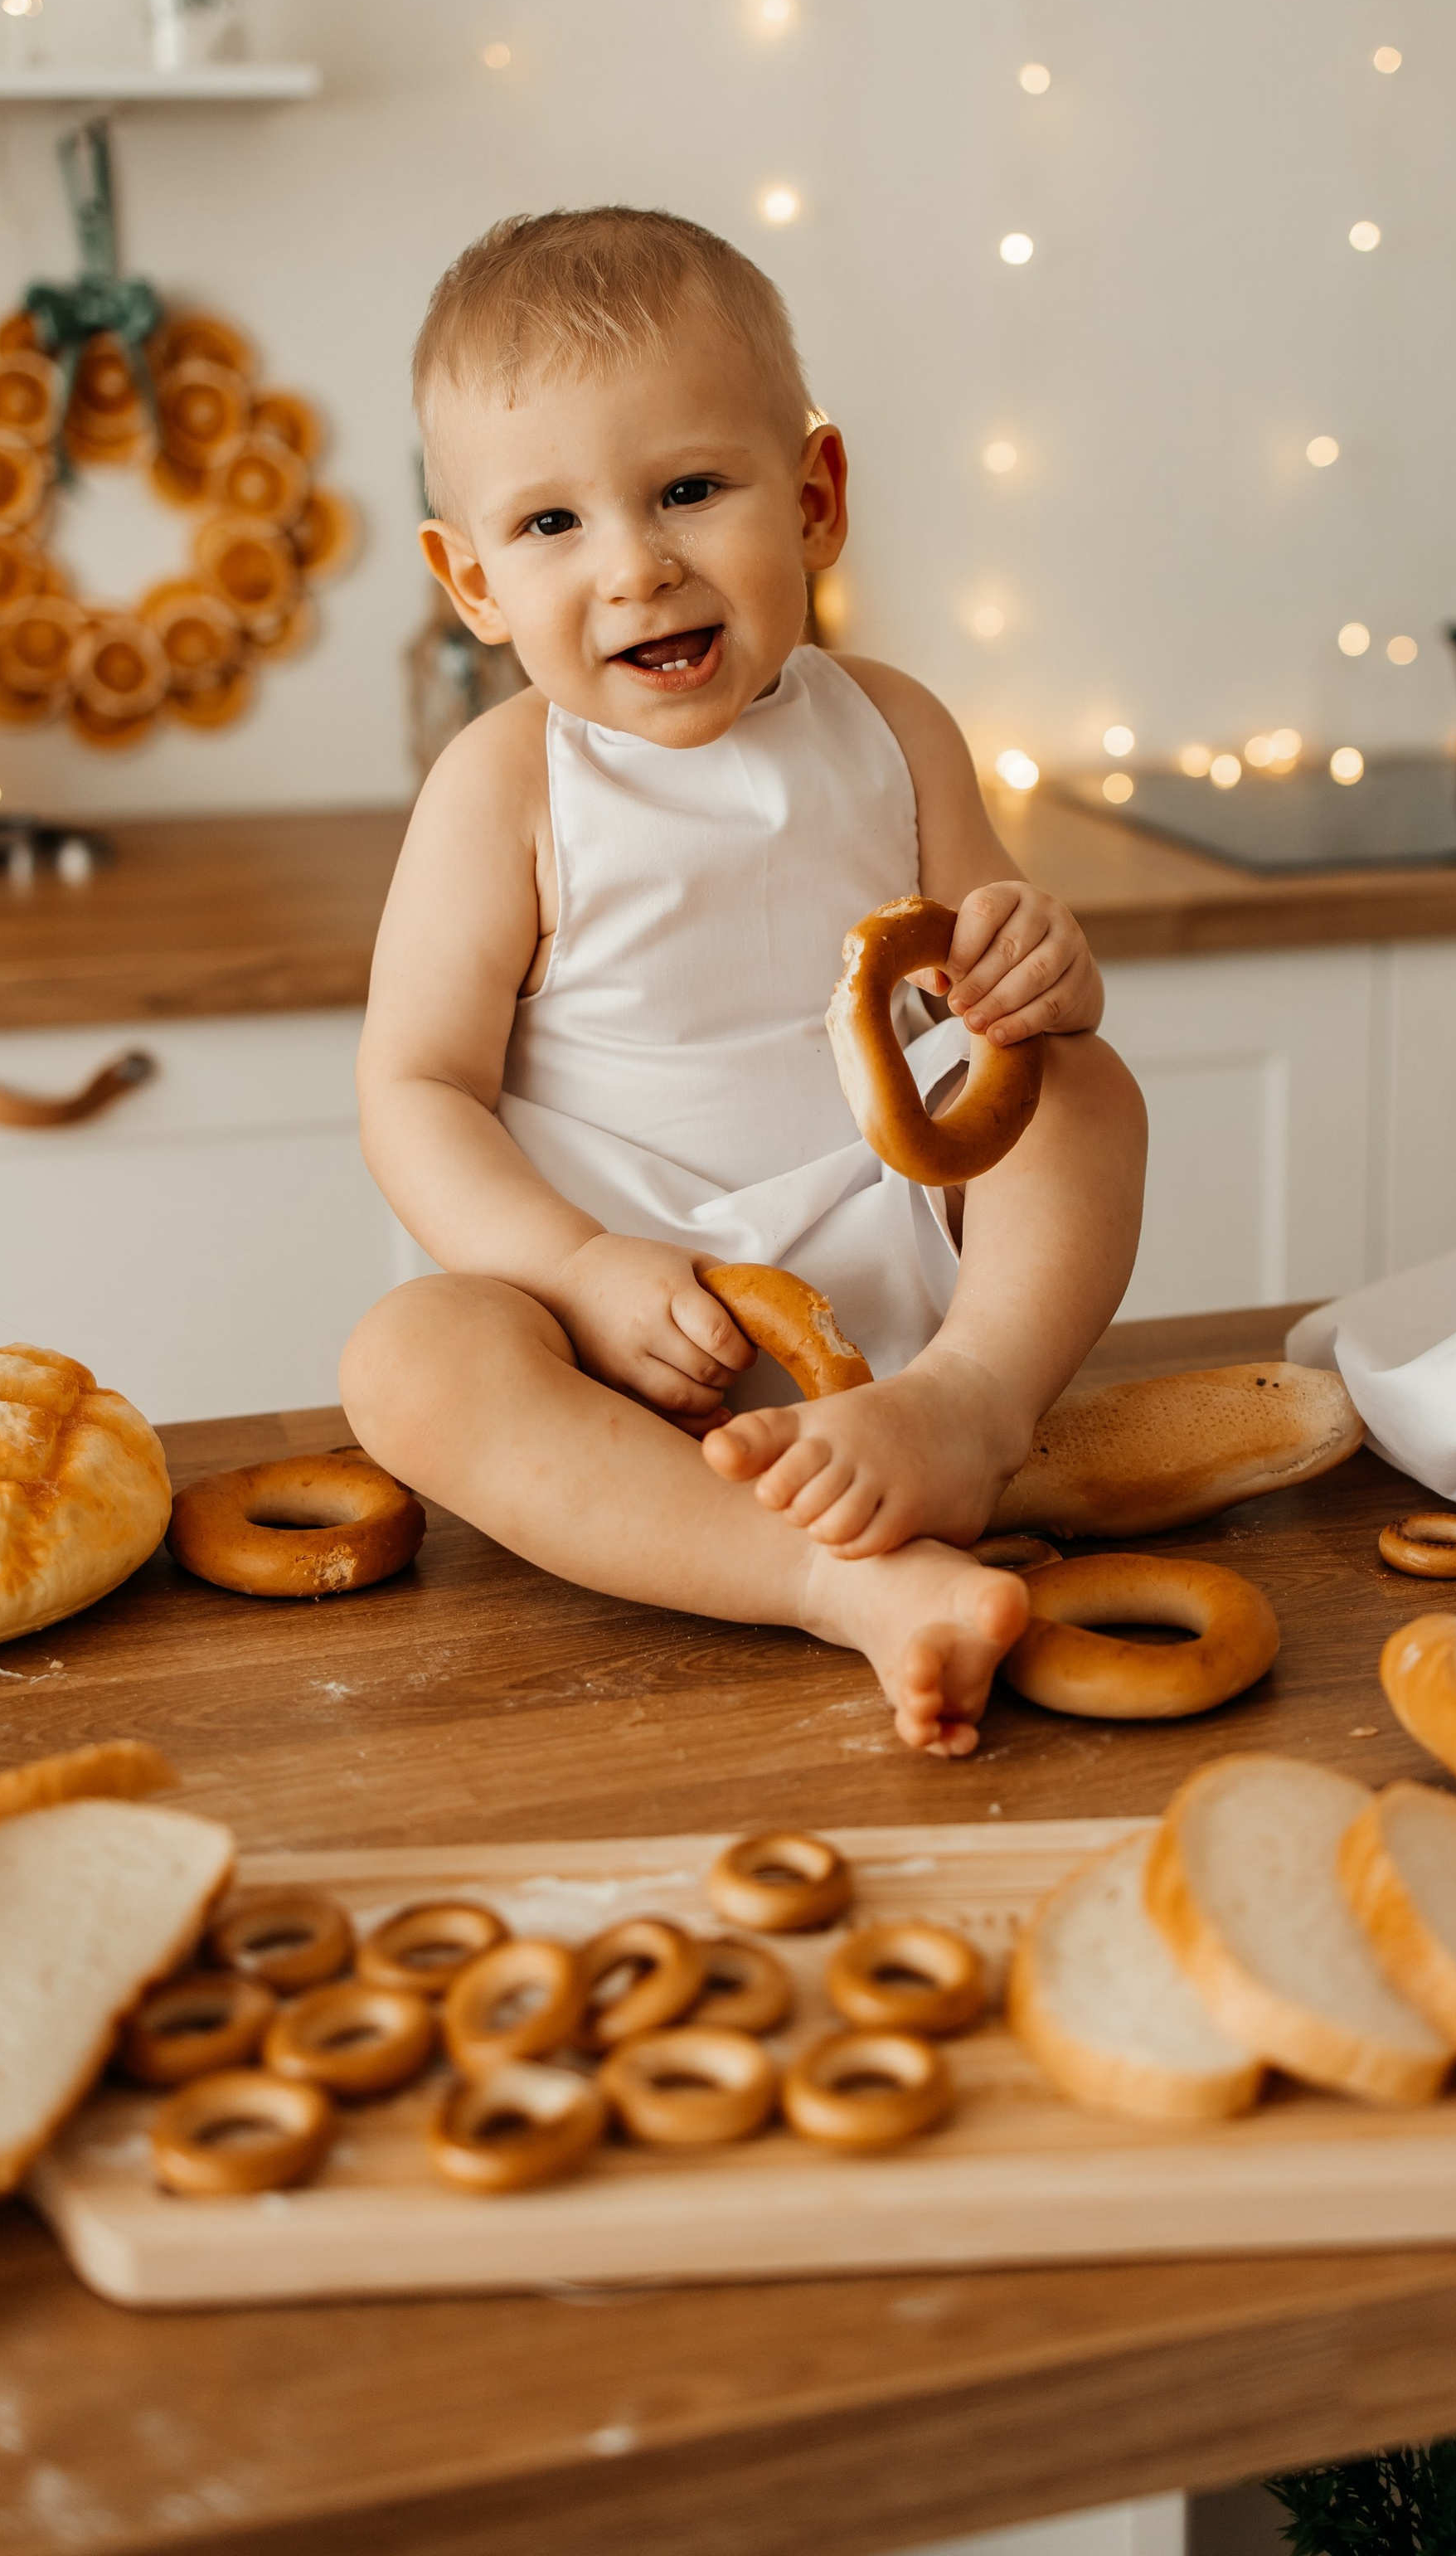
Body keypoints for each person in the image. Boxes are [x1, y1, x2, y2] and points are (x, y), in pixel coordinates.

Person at [342, 207, 1147, 1754]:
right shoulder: (503, 786)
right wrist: (575, 1269)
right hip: (610, 1317)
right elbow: (414, 1089)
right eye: (552, 526)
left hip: (887, 1247)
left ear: (816, 496)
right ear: (472, 583)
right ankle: (830, 1585)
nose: (638, 568)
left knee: (1083, 1093)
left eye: (691, 491)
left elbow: (991, 1005)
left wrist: (1041, 964)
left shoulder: (895, 727)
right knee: (407, 1362)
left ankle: (971, 1405)